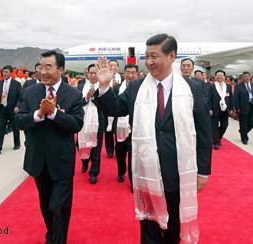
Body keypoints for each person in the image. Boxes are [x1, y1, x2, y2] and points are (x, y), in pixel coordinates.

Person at [95, 34, 212, 244]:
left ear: (171, 56)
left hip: (177, 171)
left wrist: (203, 171)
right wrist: (104, 87)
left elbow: (204, 132)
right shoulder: (136, 87)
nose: (149, 61)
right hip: (146, 170)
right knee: (149, 227)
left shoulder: (192, 88)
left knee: (173, 228)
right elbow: (115, 108)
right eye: (146, 56)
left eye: (154, 56)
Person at [16, 50, 84, 244]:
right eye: (40, 67)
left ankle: (59, 240)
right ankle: (51, 233)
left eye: (48, 67)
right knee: (46, 204)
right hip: (38, 159)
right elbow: (19, 120)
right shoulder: (30, 92)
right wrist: (37, 114)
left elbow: (77, 124)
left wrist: (54, 113)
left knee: (59, 205)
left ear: (60, 69)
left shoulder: (73, 94)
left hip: (61, 160)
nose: (43, 71)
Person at [77, 64, 105, 184]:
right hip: (82, 121)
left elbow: (106, 106)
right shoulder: (81, 86)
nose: (93, 75)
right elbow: (77, 103)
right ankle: (84, 162)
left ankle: (94, 172)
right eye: (91, 73)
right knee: (81, 145)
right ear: (87, 73)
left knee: (96, 149)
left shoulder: (103, 87)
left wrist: (94, 98)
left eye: (95, 73)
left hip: (97, 122)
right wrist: (86, 98)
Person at [114, 64, 138, 190]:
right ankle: (121, 171)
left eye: (133, 73)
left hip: (135, 127)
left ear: (137, 74)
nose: (130, 75)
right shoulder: (117, 87)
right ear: (123, 73)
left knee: (133, 154)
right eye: (128, 72)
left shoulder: (141, 88)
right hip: (119, 126)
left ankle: (133, 180)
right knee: (120, 153)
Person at [0, 65, 22, 155]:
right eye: (3, 72)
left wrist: (18, 106)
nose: (5, 74)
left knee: (15, 127)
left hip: (12, 109)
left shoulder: (17, 84)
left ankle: (17, 143)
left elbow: (20, 97)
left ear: (11, 73)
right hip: (2, 108)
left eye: (7, 72)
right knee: (0, 128)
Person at [208, 70, 233, 150]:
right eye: (218, 75)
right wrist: (210, 109)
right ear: (215, 77)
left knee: (224, 125)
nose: (219, 76)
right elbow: (208, 98)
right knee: (214, 126)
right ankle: (215, 142)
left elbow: (231, 98)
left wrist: (231, 108)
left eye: (221, 75)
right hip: (215, 109)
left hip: (225, 109)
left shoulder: (228, 86)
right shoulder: (211, 86)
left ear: (224, 77)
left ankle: (218, 138)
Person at [234, 71, 253, 144]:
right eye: (244, 76)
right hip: (243, 107)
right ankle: (244, 138)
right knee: (243, 123)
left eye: (247, 76)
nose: (246, 77)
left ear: (250, 77)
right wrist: (237, 107)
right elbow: (236, 97)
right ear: (242, 77)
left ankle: (242, 131)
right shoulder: (238, 86)